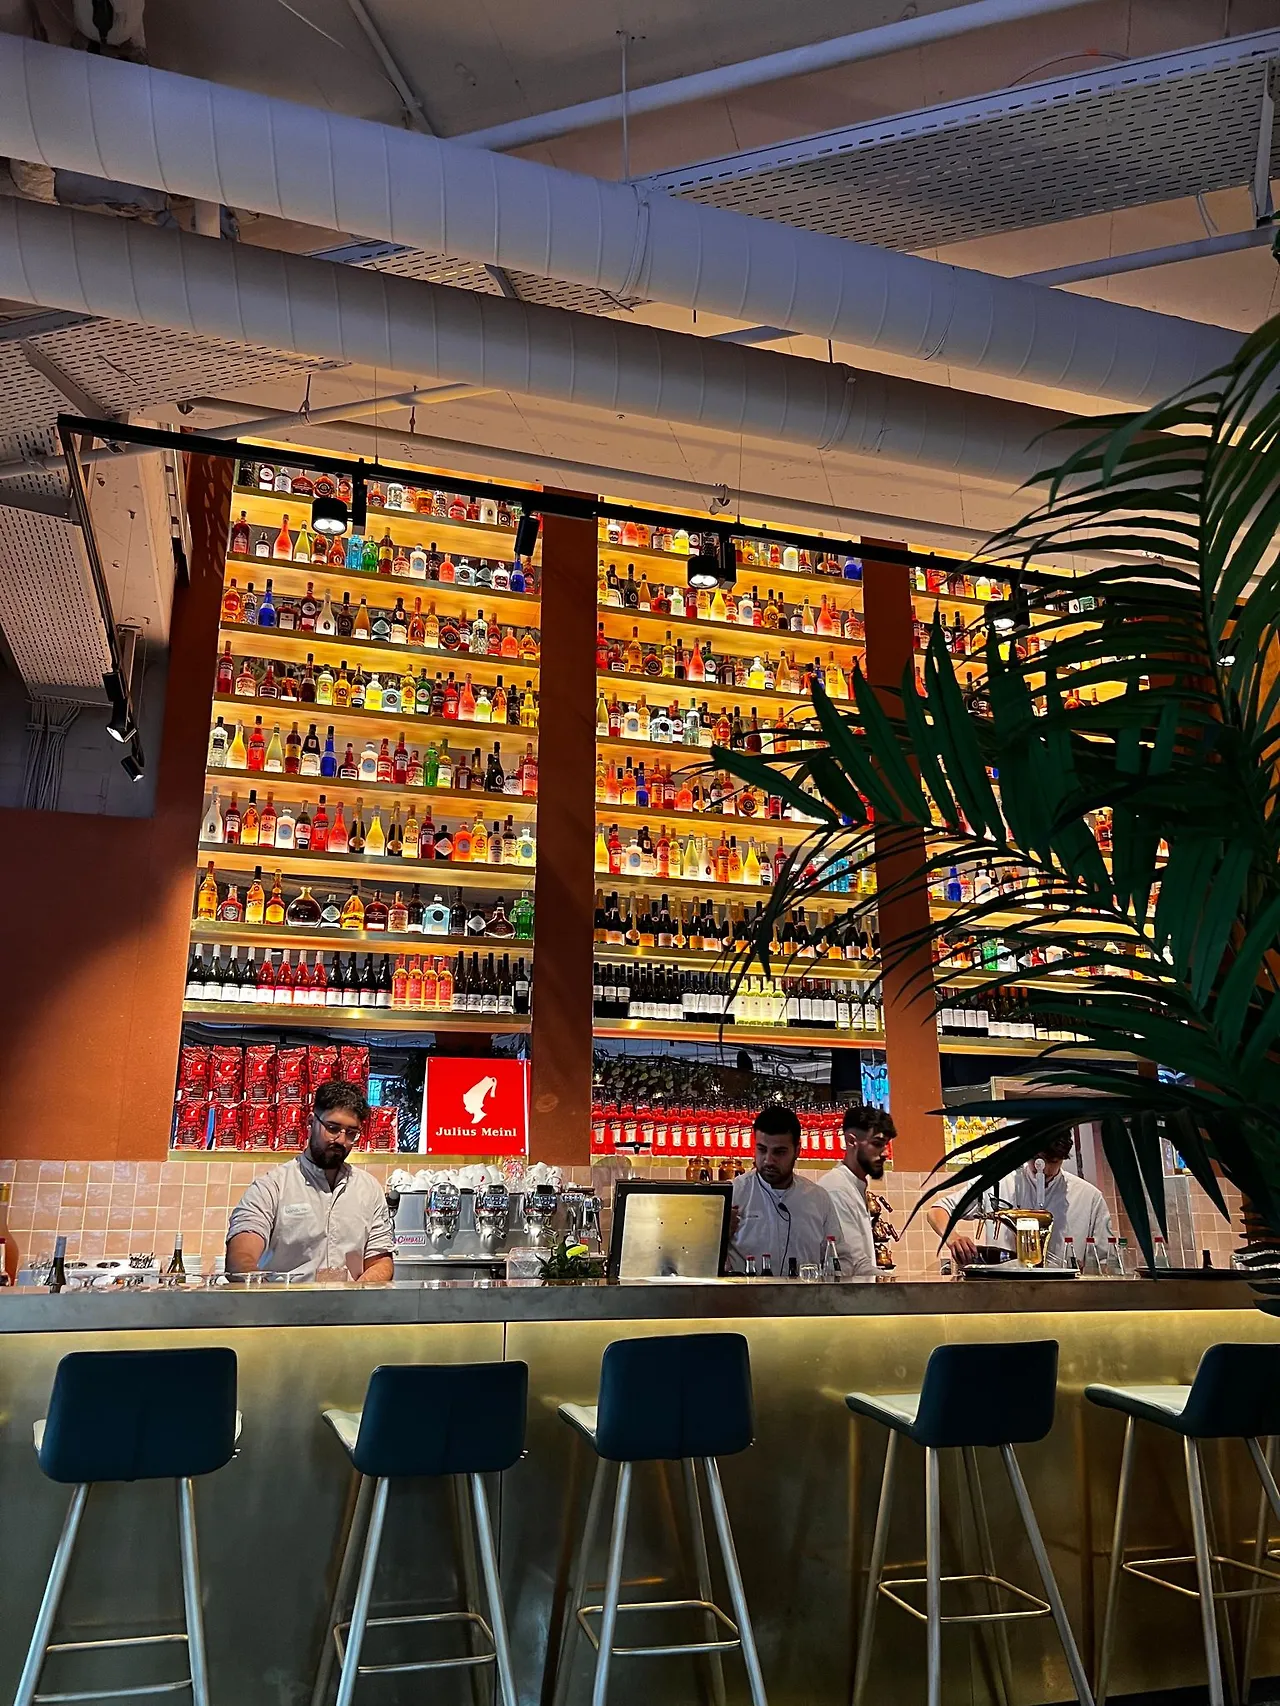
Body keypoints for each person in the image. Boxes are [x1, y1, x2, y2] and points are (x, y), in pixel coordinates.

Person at [225, 1081, 395, 1283]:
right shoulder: (271, 1187)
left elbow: (380, 1262)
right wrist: (263, 1293)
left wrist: (357, 1294)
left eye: (351, 1133)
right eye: (332, 1128)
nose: (341, 1140)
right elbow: (240, 1258)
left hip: (350, 1302)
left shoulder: (369, 1189)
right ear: (311, 1122)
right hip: (284, 1301)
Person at [925, 1132, 1112, 1269]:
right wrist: (953, 1237)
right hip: (1004, 1292)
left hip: (1065, 1297)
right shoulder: (998, 1183)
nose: (1044, 1169)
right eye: (1037, 1160)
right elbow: (938, 1210)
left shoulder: (1089, 1197)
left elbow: (1104, 1260)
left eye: (1053, 1161)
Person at [727, 1105, 853, 1275]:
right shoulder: (734, 1194)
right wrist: (720, 1235)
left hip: (806, 1292)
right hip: (747, 1292)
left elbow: (842, 1260)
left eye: (779, 1152)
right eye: (762, 1150)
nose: (768, 1160)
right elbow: (702, 1260)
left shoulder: (817, 1198)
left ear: (797, 1150)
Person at [818, 1105, 896, 1280]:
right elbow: (855, 1264)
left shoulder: (853, 1185)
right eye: (877, 1144)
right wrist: (904, 1285)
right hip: (846, 1295)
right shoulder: (836, 1189)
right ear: (851, 1141)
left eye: (886, 1144)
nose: (885, 1153)